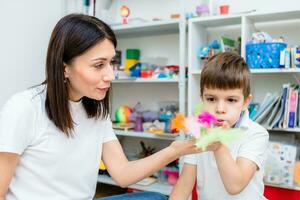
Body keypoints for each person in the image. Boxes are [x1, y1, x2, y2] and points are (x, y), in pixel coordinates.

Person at [0, 14, 203, 200]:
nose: (111, 75)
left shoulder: (96, 110)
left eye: (111, 63)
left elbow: (122, 174)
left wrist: (173, 151)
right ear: (65, 68)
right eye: (98, 65)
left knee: (155, 198)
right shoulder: (24, 108)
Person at [170, 52, 269, 200]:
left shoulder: (256, 134)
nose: (220, 109)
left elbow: (235, 186)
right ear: (202, 99)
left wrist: (219, 143)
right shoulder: (198, 132)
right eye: (211, 99)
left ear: (246, 102)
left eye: (231, 100)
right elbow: (183, 187)